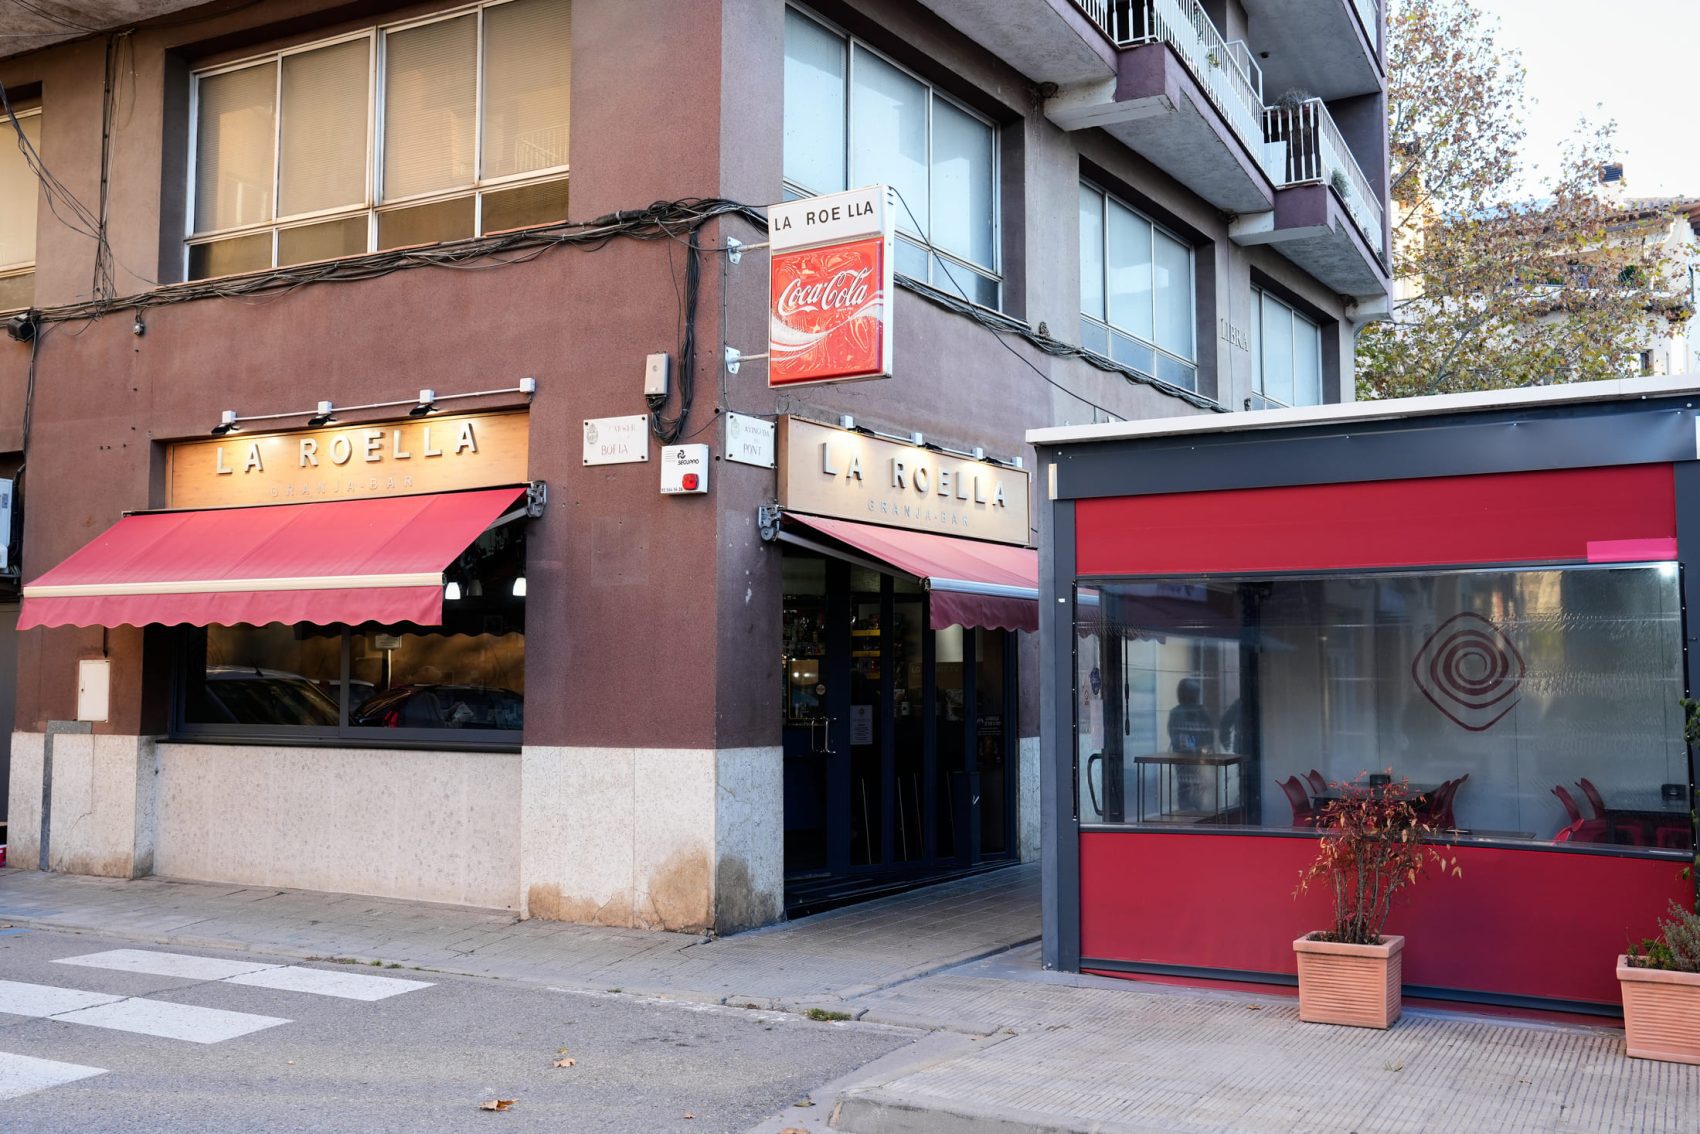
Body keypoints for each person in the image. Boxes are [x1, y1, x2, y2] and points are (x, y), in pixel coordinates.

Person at [1168, 678, 1216, 814]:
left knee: (1187, 785)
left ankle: (1189, 811)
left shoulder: (1178, 712)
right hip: (1191, 755)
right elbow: (1208, 733)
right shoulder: (1198, 711)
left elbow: (1173, 733)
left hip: (1187, 755)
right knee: (1193, 785)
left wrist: (1192, 746)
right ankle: (1192, 811)